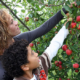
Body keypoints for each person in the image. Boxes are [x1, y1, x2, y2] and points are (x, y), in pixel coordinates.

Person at [0, 7, 68, 80]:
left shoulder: (21, 41)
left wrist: (65, 10)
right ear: (3, 31)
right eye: (11, 22)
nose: (17, 23)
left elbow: (45, 28)